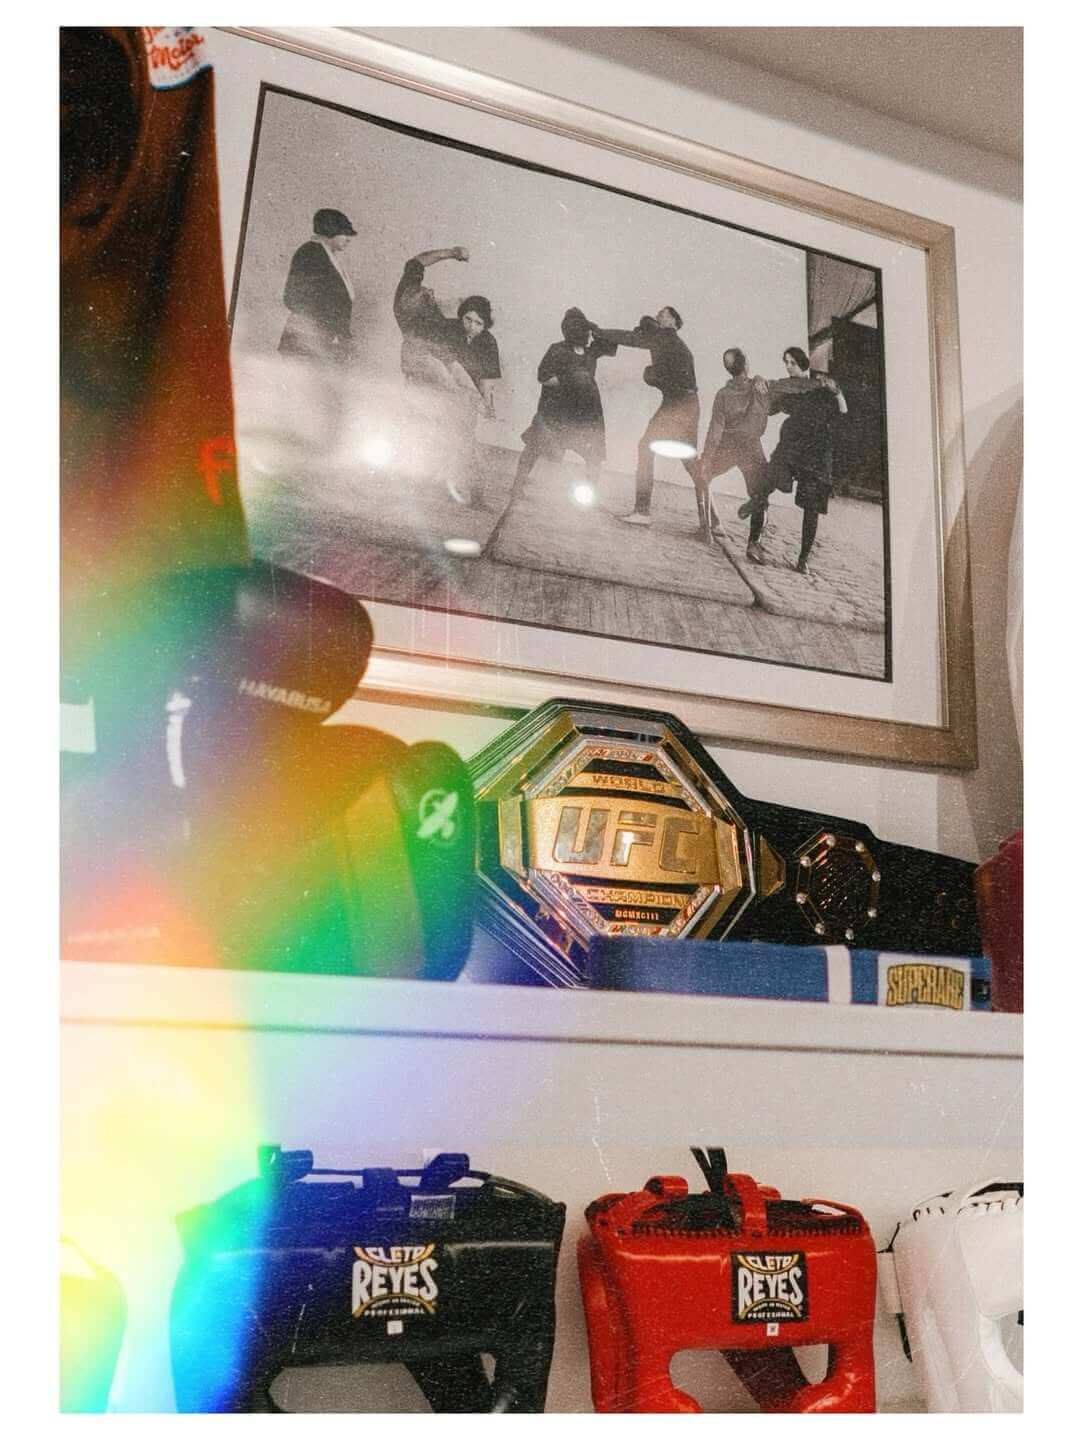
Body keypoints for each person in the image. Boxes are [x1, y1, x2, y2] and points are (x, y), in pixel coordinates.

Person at [489, 308, 617, 539]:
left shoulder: (591, 351)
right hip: (557, 410)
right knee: (534, 446)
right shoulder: (557, 350)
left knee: (593, 455)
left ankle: (589, 497)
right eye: (583, 331)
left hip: (585, 414)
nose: (587, 335)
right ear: (572, 332)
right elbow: (544, 377)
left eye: (587, 331)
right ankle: (517, 486)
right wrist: (574, 381)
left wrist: (595, 328)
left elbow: (611, 346)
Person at [392, 246, 487, 503]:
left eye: (428, 292)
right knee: (426, 426)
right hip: (422, 369)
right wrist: (465, 392)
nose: (431, 292)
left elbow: (417, 261)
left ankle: (423, 476)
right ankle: (416, 478)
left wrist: (451, 253)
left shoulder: (409, 292)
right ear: (424, 308)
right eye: (428, 296)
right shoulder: (424, 326)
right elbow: (443, 365)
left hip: (429, 369)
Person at [591, 307, 699, 526]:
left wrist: (600, 331)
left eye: (664, 314)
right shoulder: (674, 344)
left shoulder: (665, 337)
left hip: (677, 405)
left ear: (673, 322)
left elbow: (630, 338)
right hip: (688, 404)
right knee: (689, 461)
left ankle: (642, 512)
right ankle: (713, 521)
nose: (659, 316)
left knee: (645, 447)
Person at [758, 347, 848, 572]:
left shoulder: (822, 385)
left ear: (803, 363)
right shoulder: (788, 388)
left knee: (811, 508)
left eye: (792, 362)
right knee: (764, 485)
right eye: (786, 362)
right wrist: (760, 384)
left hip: (817, 454)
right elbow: (769, 408)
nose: (788, 366)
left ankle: (803, 559)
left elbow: (843, 412)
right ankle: (754, 542)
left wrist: (836, 392)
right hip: (792, 449)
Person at [695, 348, 771, 558]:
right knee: (760, 496)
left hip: (728, 446)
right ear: (746, 364)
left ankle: (708, 525)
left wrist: (707, 460)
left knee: (702, 474)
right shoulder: (759, 387)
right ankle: (754, 545)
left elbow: (715, 430)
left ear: (728, 369)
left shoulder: (723, 395)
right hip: (751, 449)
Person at [278, 208, 358, 363]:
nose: (348, 239)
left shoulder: (325, 254)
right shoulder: (311, 253)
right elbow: (292, 297)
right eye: (344, 233)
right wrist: (331, 330)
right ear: (329, 231)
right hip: (305, 343)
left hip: (320, 342)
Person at [451, 295, 501, 419]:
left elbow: (487, 380)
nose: (472, 326)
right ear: (461, 316)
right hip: (448, 386)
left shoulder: (489, 342)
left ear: (485, 326)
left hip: (472, 394)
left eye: (478, 323)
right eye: (468, 319)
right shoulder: (449, 328)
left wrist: (488, 406)